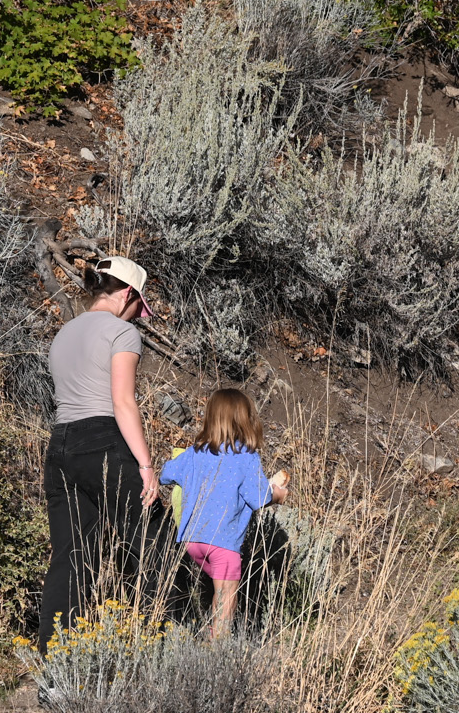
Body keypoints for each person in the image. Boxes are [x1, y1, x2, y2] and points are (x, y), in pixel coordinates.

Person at [35, 256, 162, 651]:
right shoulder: (121, 334)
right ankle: (170, 648)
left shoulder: (64, 333)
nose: (139, 316)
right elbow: (123, 402)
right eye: (140, 306)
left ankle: (55, 667)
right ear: (127, 293)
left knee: (70, 561)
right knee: (155, 540)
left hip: (59, 447)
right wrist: (145, 465)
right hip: (102, 440)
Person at [159, 388, 288, 637]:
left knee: (217, 590)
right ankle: (218, 646)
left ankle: (207, 634)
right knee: (227, 594)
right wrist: (278, 495)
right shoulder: (246, 458)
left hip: (191, 539)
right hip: (224, 543)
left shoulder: (195, 453)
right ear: (245, 421)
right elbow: (259, 497)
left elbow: (166, 473)